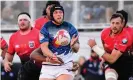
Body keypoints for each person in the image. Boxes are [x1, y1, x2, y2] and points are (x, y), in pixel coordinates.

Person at [39, 5, 79, 80]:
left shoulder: (70, 27)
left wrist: (73, 45)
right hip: (48, 66)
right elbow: (44, 48)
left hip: (65, 65)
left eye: (60, 12)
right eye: (56, 12)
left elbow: (77, 49)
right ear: (52, 15)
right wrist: (53, 57)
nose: (58, 14)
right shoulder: (46, 27)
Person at [88, 13, 133, 80]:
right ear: (110, 23)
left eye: (117, 23)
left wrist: (95, 47)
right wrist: (104, 59)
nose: (114, 25)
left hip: (125, 62)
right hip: (111, 64)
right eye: (113, 23)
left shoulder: (124, 38)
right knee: (110, 78)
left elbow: (112, 59)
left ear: (121, 25)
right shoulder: (104, 33)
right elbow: (106, 49)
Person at [3, 12, 40, 80]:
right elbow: (9, 53)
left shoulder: (39, 34)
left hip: (41, 70)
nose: (22, 22)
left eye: (25, 20)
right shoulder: (14, 37)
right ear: (18, 23)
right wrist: (6, 62)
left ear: (29, 22)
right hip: (25, 71)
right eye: (20, 20)